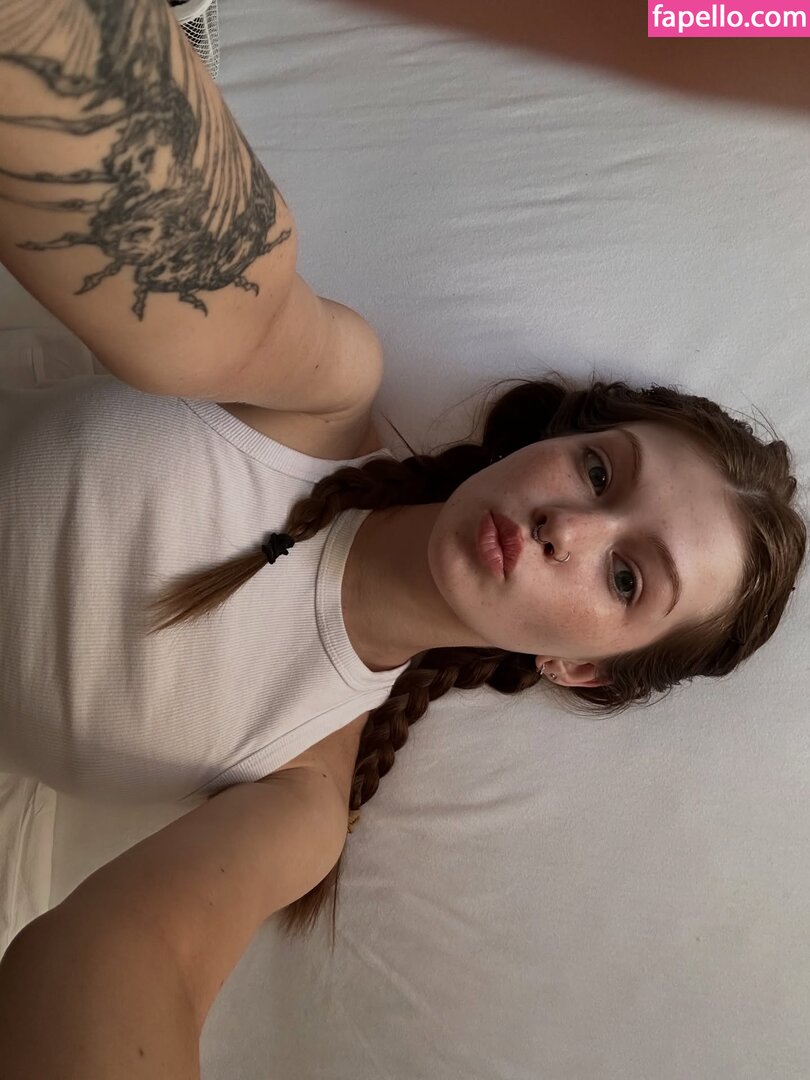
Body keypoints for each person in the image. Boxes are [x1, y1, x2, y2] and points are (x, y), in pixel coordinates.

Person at [0, 0, 806, 1076]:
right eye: (600, 471)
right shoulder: (323, 395)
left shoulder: (299, 796)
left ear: (577, 668)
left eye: (625, 577)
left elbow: (124, 959)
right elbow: (219, 285)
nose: (570, 525)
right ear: (552, 444)